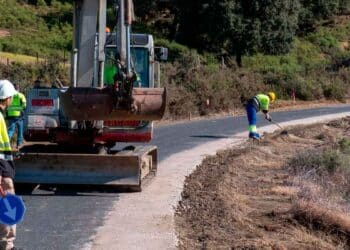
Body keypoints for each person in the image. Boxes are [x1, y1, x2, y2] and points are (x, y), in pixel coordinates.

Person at [0, 79, 18, 250]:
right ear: (7, 98)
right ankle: (7, 245)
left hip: (3, 166)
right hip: (2, 169)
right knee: (9, 207)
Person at [6, 84, 26, 149]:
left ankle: (6, 143)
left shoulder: (9, 95)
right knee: (20, 130)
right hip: (18, 115)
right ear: (18, 88)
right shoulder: (20, 95)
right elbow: (24, 105)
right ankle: (18, 144)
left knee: (11, 130)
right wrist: (20, 109)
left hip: (10, 115)